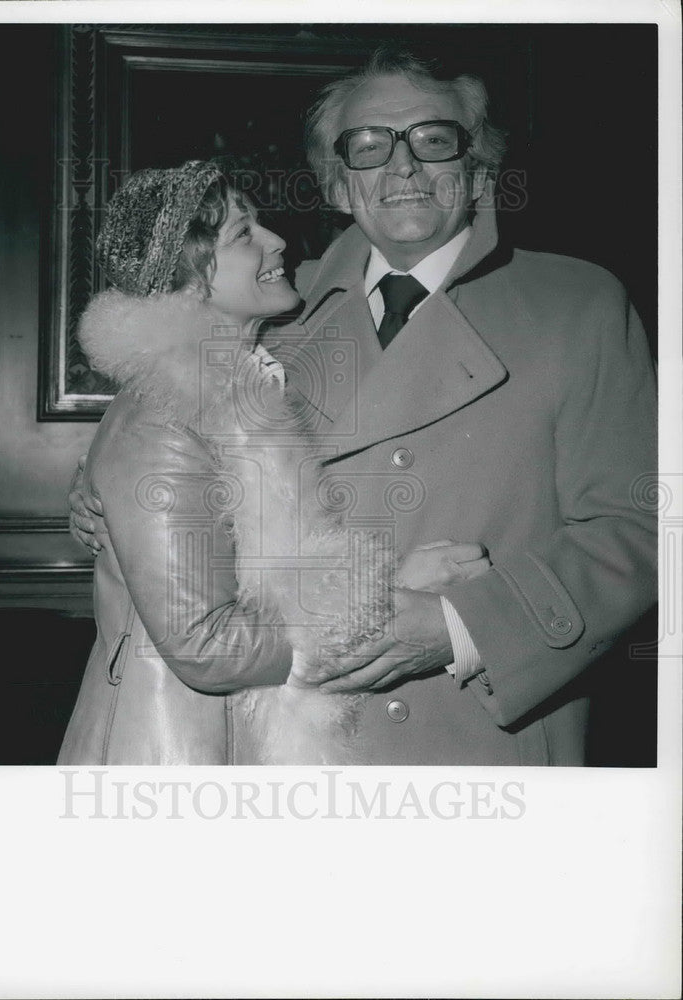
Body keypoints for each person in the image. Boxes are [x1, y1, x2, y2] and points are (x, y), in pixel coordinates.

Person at [70, 49, 657, 765]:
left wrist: (463, 626)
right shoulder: (267, 308)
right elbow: (164, 450)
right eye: (370, 145)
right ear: (338, 184)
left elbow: (640, 527)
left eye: (434, 139)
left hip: (477, 735)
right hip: (282, 746)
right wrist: (95, 496)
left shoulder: (578, 305)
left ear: (477, 168)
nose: (403, 166)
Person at [58, 160, 489, 765]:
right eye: (244, 234)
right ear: (189, 281)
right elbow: (204, 645)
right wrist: (389, 598)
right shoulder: (166, 416)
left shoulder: (233, 385)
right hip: (177, 759)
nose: (278, 240)